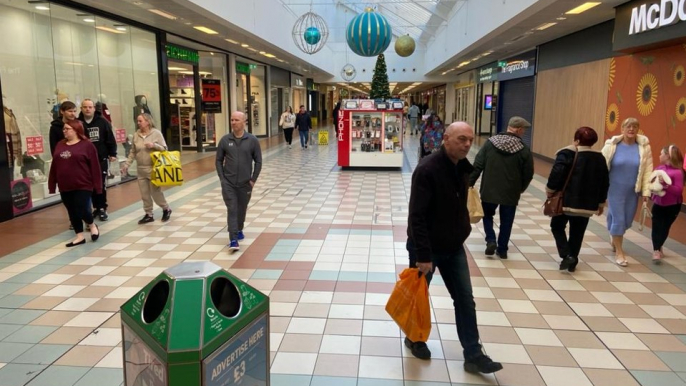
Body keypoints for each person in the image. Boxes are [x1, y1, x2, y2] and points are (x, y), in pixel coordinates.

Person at [407, 121, 502, 373]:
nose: (467, 144)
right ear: (445, 139)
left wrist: (463, 230)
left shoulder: (462, 168)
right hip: (426, 248)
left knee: (465, 299)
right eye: (461, 139)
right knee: (419, 297)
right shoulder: (427, 170)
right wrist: (423, 255)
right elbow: (416, 216)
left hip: (453, 246)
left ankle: (473, 354)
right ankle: (414, 338)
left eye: (470, 140)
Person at [469, 116, 534, 259]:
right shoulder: (523, 149)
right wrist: (521, 188)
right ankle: (502, 249)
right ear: (519, 130)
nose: (523, 133)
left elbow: (478, 165)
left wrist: (469, 183)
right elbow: (528, 173)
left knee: (487, 215)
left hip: (489, 189)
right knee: (507, 220)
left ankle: (491, 240)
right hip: (511, 191)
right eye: (523, 130)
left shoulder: (490, 144)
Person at [546, 127, 609, 272]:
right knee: (577, 233)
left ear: (577, 140)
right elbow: (604, 182)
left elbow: (557, 173)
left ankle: (567, 255)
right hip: (587, 204)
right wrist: (601, 202)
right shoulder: (600, 158)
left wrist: (550, 191)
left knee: (556, 226)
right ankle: (572, 262)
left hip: (566, 201)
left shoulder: (567, 154)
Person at [601, 117, 653, 266]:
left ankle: (614, 233)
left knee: (627, 220)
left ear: (638, 130)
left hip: (632, 191)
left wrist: (646, 192)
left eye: (635, 127)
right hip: (614, 189)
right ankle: (619, 252)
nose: (631, 129)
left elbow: (648, 171)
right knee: (619, 218)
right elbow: (601, 167)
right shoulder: (612, 145)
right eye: (628, 126)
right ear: (622, 129)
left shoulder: (644, 147)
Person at [48, 119, 101, 247]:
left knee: (82, 207)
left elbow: (95, 166)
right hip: (65, 185)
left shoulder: (87, 145)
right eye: (64, 129)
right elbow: (55, 165)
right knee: (72, 210)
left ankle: (92, 224)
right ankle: (79, 236)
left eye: (67, 129)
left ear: (76, 130)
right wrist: (52, 184)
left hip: (83, 183)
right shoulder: (60, 144)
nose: (64, 131)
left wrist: (98, 186)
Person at [216, 111, 262, 251]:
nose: (233, 122)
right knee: (232, 209)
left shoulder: (252, 140)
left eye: (236, 120)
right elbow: (218, 160)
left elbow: (258, 161)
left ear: (244, 122)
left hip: (245, 184)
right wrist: (222, 179)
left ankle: (239, 229)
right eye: (232, 120)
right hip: (229, 183)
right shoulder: (225, 140)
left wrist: (253, 180)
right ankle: (233, 239)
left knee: (242, 209)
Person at [122, 113, 172, 224]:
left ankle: (166, 208)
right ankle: (149, 214)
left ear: (147, 122)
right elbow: (133, 152)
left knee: (155, 192)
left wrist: (154, 145)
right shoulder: (136, 135)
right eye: (138, 121)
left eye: (140, 121)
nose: (138, 123)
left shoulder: (156, 133)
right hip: (141, 169)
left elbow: (165, 149)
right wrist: (126, 165)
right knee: (144, 193)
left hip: (153, 168)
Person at [79, 99, 117, 221]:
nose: (87, 109)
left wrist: (112, 153)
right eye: (85, 107)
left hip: (100, 158)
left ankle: (101, 208)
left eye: (90, 107)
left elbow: (110, 138)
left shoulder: (102, 122)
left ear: (94, 108)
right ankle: (92, 209)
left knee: (100, 184)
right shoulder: (78, 123)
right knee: (88, 186)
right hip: (84, 160)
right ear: (81, 108)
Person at [650, 145, 684, 263]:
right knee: (656, 226)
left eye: (661, 153)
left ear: (668, 156)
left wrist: (665, 185)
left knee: (664, 227)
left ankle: (659, 246)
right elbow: (652, 182)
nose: (659, 156)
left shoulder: (678, 172)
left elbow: (678, 190)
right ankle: (656, 249)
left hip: (672, 205)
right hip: (658, 204)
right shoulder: (660, 168)